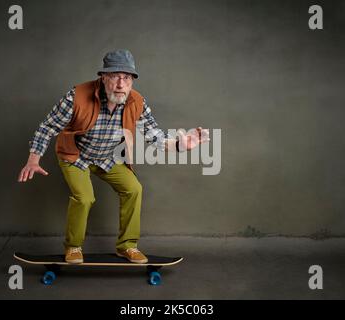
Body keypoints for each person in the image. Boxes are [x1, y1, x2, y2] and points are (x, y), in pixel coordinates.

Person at [17, 49, 209, 264]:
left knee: (134, 189)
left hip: (108, 157)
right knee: (85, 197)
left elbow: (154, 135)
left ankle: (127, 246)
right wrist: (34, 159)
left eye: (126, 78)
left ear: (132, 81)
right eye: (115, 77)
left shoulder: (137, 102)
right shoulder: (77, 96)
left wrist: (180, 146)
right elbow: (48, 127)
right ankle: (73, 246)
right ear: (103, 77)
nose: (120, 84)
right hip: (75, 156)